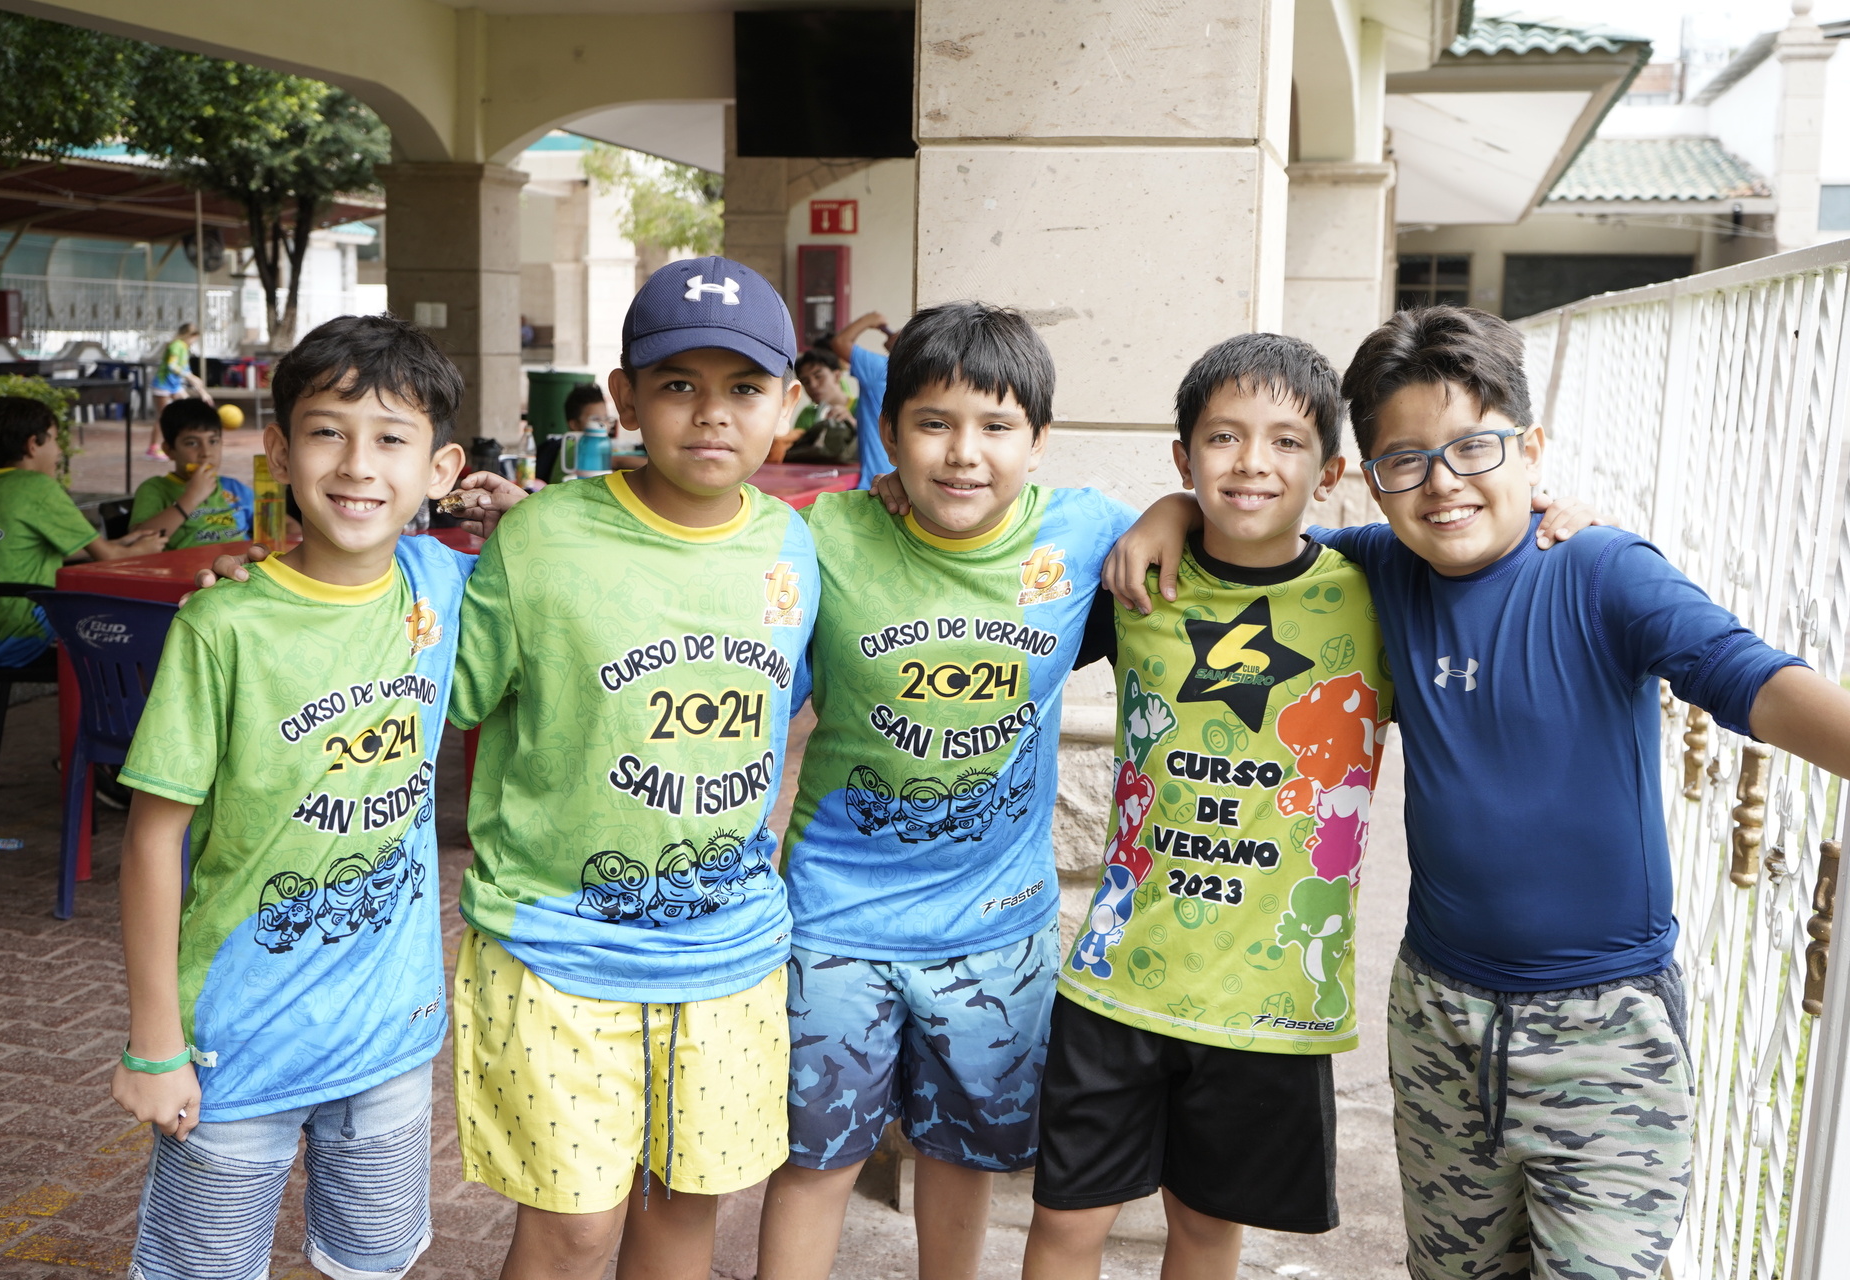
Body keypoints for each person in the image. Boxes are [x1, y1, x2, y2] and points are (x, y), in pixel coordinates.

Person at [1107, 305, 1850, 1280]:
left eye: (1473, 447)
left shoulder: (1600, 570)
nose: (1443, 482)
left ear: (1530, 450)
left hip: (1606, 1030)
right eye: (1405, 460)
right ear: (1371, 479)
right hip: (1438, 1017)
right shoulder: (1378, 569)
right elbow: (1257, 535)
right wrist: (1171, 511)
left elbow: (1750, 677)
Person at [446, 255, 815, 1280]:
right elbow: (444, 688)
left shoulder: (795, 546)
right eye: (678, 383)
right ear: (625, 396)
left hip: (728, 950)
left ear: (787, 404)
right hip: (557, 945)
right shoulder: (541, 538)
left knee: (682, 1211)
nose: (712, 413)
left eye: (745, 386)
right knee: (573, 1229)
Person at [755, 302, 1138, 1280]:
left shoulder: (1084, 531)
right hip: (836, 921)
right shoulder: (826, 534)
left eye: (996, 425)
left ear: (1038, 442)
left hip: (995, 927)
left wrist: (1173, 511)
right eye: (934, 423)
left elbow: (1211, 533)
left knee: (963, 1159)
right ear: (889, 432)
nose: (964, 453)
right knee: (815, 1159)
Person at [108, 314, 484, 1280]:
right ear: (278, 452)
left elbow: (577, 555)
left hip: (390, 1036)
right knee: (205, 1267)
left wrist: (513, 505)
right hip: (238, 1041)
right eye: (327, 433)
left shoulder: (442, 583)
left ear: (439, 469)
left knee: (373, 1261)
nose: (358, 465)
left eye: (392, 439)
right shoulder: (225, 626)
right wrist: (154, 1042)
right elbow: (152, 840)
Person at [1011, 334, 1389, 1280]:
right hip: (1118, 981)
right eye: (1224, 438)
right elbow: (1002, 551)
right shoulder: (1138, 581)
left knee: (1208, 1230)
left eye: (1286, 442)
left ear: (1331, 471)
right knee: (1064, 1224)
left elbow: (1490, 555)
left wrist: (1557, 514)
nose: (1252, 462)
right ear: (1183, 458)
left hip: (1270, 1005)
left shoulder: (1377, 595)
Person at [0, 396, 166, 667]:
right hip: (26, 633)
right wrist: (144, 550)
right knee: (141, 628)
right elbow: (109, 557)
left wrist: (120, 542)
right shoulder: (37, 487)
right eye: (54, 440)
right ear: (33, 445)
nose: (60, 451)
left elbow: (18, 554)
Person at [128, 399, 255, 549]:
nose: (206, 453)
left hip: (240, 562)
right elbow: (137, 542)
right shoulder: (155, 489)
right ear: (169, 450)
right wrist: (191, 497)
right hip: (188, 564)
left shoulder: (235, 488)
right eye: (192, 443)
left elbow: (276, 525)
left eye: (213, 441)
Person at [827, 309, 895, 489]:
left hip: (874, 481)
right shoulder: (916, 376)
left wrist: (869, 319)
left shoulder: (882, 369)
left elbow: (840, 342)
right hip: (895, 478)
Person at [774, 347, 857, 465]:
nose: (813, 385)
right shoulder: (807, 414)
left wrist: (854, 425)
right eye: (806, 381)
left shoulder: (861, 407)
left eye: (818, 376)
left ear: (837, 376)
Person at [150, 322, 213, 448]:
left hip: (175, 386)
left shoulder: (184, 348)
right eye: (194, 338)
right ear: (189, 335)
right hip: (163, 384)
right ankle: (154, 446)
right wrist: (190, 377)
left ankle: (185, 441)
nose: (194, 341)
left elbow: (186, 370)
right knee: (163, 417)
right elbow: (172, 365)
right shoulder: (176, 346)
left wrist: (203, 392)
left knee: (188, 410)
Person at [547, 382, 615, 482]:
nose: (603, 424)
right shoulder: (577, 448)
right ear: (574, 424)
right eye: (595, 419)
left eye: (605, 418)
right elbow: (615, 462)